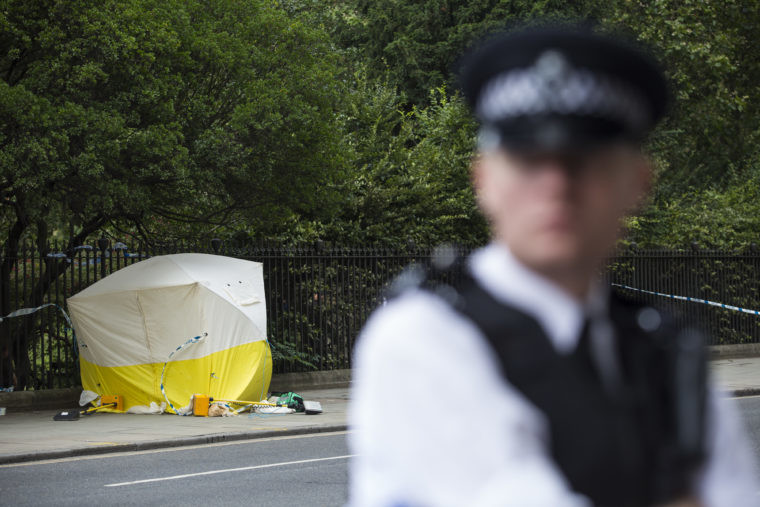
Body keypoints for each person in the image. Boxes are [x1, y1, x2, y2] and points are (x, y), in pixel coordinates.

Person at [348, 24, 759, 507]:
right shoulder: (422, 335)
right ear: (483, 180)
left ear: (639, 182)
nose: (557, 184)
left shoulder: (665, 351)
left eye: (586, 160)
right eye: (528, 159)